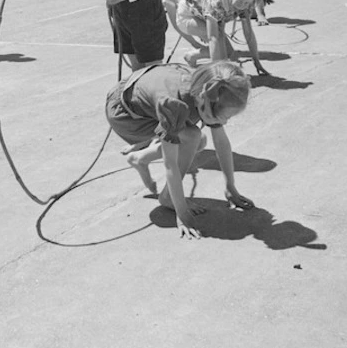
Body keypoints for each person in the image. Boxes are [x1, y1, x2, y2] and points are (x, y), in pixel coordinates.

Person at [105, 60, 255, 240]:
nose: (225, 122)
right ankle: (167, 197)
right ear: (202, 100)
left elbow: (221, 142)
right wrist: (182, 215)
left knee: (199, 141)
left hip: (143, 97)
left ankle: (139, 158)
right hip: (127, 115)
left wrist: (230, 187)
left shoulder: (209, 90)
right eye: (225, 117)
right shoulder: (173, 104)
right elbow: (170, 165)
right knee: (192, 137)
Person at [175, 0, 272, 76]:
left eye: (247, 3)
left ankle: (192, 56)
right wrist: (218, 73)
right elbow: (213, 38)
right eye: (242, 2)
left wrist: (256, 62)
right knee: (222, 55)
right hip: (187, 16)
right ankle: (215, 70)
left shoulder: (246, 0)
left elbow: (249, 34)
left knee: (231, 56)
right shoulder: (216, 2)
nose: (245, 6)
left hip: (204, 15)